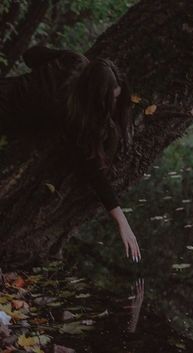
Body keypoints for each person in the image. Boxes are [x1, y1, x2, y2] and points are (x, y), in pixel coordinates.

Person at [0, 45, 141, 262]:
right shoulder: (70, 115)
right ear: (95, 97)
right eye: (110, 100)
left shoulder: (74, 60)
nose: (114, 105)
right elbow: (93, 172)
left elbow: (29, 54)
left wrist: (41, 76)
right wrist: (121, 221)